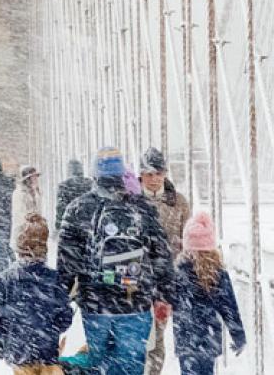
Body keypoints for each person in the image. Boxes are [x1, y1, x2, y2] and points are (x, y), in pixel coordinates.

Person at [58, 147, 173, 375]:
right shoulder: (141, 209)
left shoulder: (78, 209)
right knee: (131, 365)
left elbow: (67, 263)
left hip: (95, 303)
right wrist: (163, 295)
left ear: (94, 174)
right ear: (123, 174)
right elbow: (161, 255)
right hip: (135, 301)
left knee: (98, 363)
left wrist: (62, 298)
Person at [0, 214, 74, 375]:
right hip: (46, 350)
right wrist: (53, 328)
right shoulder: (54, 278)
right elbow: (65, 315)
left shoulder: (7, 278)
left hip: (17, 351)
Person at [169, 212, 245, 375]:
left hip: (185, 338)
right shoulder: (217, 273)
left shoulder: (178, 272)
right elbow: (229, 307)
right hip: (208, 338)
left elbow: (168, 300)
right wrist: (238, 335)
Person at [140, 149, 192, 374]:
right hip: (137, 280)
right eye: (148, 174)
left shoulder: (179, 203)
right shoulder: (130, 201)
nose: (153, 179)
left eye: (158, 173)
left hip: (166, 282)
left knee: (157, 335)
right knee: (139, 335)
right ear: (140, 175)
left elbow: (189, 240)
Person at [56, 159, 94, 230]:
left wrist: (58, 226)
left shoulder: (64, 186)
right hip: (89, 225)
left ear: (69, 171)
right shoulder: (90, 183)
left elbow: (60, 208)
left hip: (71, 226)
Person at [10, 164, 43, 244]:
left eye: (36, 176)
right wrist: (31, 222)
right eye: (33, 176)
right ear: (27, 179)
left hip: (36, 234)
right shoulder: (19, 193)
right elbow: (19, 214)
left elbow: (39, 210)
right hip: (23, 234)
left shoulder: (36, 192)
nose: (36, 179)